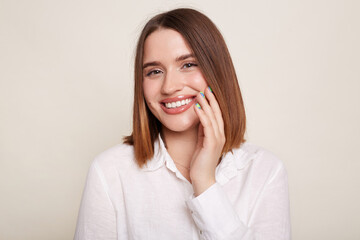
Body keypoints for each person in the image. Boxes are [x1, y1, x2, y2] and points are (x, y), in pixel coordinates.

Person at [74, 8, 290, 240]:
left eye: (188, 64)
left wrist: (205, 184)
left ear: (217, 71)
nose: (169, 86)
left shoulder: (265, 171)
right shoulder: (109, 172)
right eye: (154, 71)